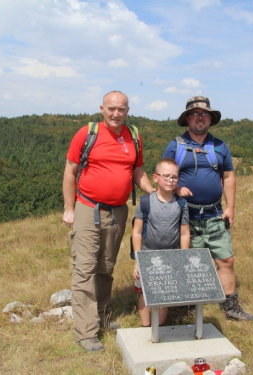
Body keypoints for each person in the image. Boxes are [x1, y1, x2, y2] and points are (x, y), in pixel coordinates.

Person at [62, 91, 154, 352]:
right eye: (111, 108)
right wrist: (69, 209)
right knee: (84, 269)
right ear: (102, 108)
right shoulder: (87, 133)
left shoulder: (133, 136)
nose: (116, 114)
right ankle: (86, 333)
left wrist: (155, 193)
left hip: (118, 211)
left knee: (105, 267)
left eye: (121, 109)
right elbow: (70, 170)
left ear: (128, 110)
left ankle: (103, 316)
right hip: (88, 207)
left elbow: (137, 171)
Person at [162, 96, 253, 321]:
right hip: (186, 215)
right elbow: (163, 175)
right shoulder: (176, 145)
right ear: (187, 119)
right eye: (195, 114)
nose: (200, 118)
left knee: (226, 259)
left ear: (211, 119)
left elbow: (228, 176)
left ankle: (230, 306)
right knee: (189, 261)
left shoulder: (219, 146)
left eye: (204, 114)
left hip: (215, 214)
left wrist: (231, 207)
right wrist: (176, 190)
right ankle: (187, 305)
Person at [132, 158, 190, 327]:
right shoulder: (145, 202)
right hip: (147, 255)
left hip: (171, 255)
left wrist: (183, 258)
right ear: (155, 178)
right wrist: (138, 259)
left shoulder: (181, 204)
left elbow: (185, 232)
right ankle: (145, 327)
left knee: (165, 294)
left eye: (174, 177)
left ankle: (160, 327)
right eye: (166, 176)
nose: (170, 180)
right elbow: (137, 232)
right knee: (145, 293)